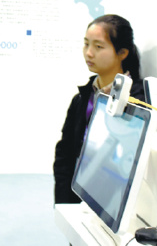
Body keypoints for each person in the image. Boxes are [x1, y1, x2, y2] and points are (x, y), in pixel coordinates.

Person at [53, 14, 144, 204]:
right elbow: (66, 152)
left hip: (116, 203)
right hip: (80, 196)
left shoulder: (140, 101)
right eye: (86, 44)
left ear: (122, 53)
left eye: (98, 46)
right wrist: (64, 202)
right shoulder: (82, 98)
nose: (89, 53)